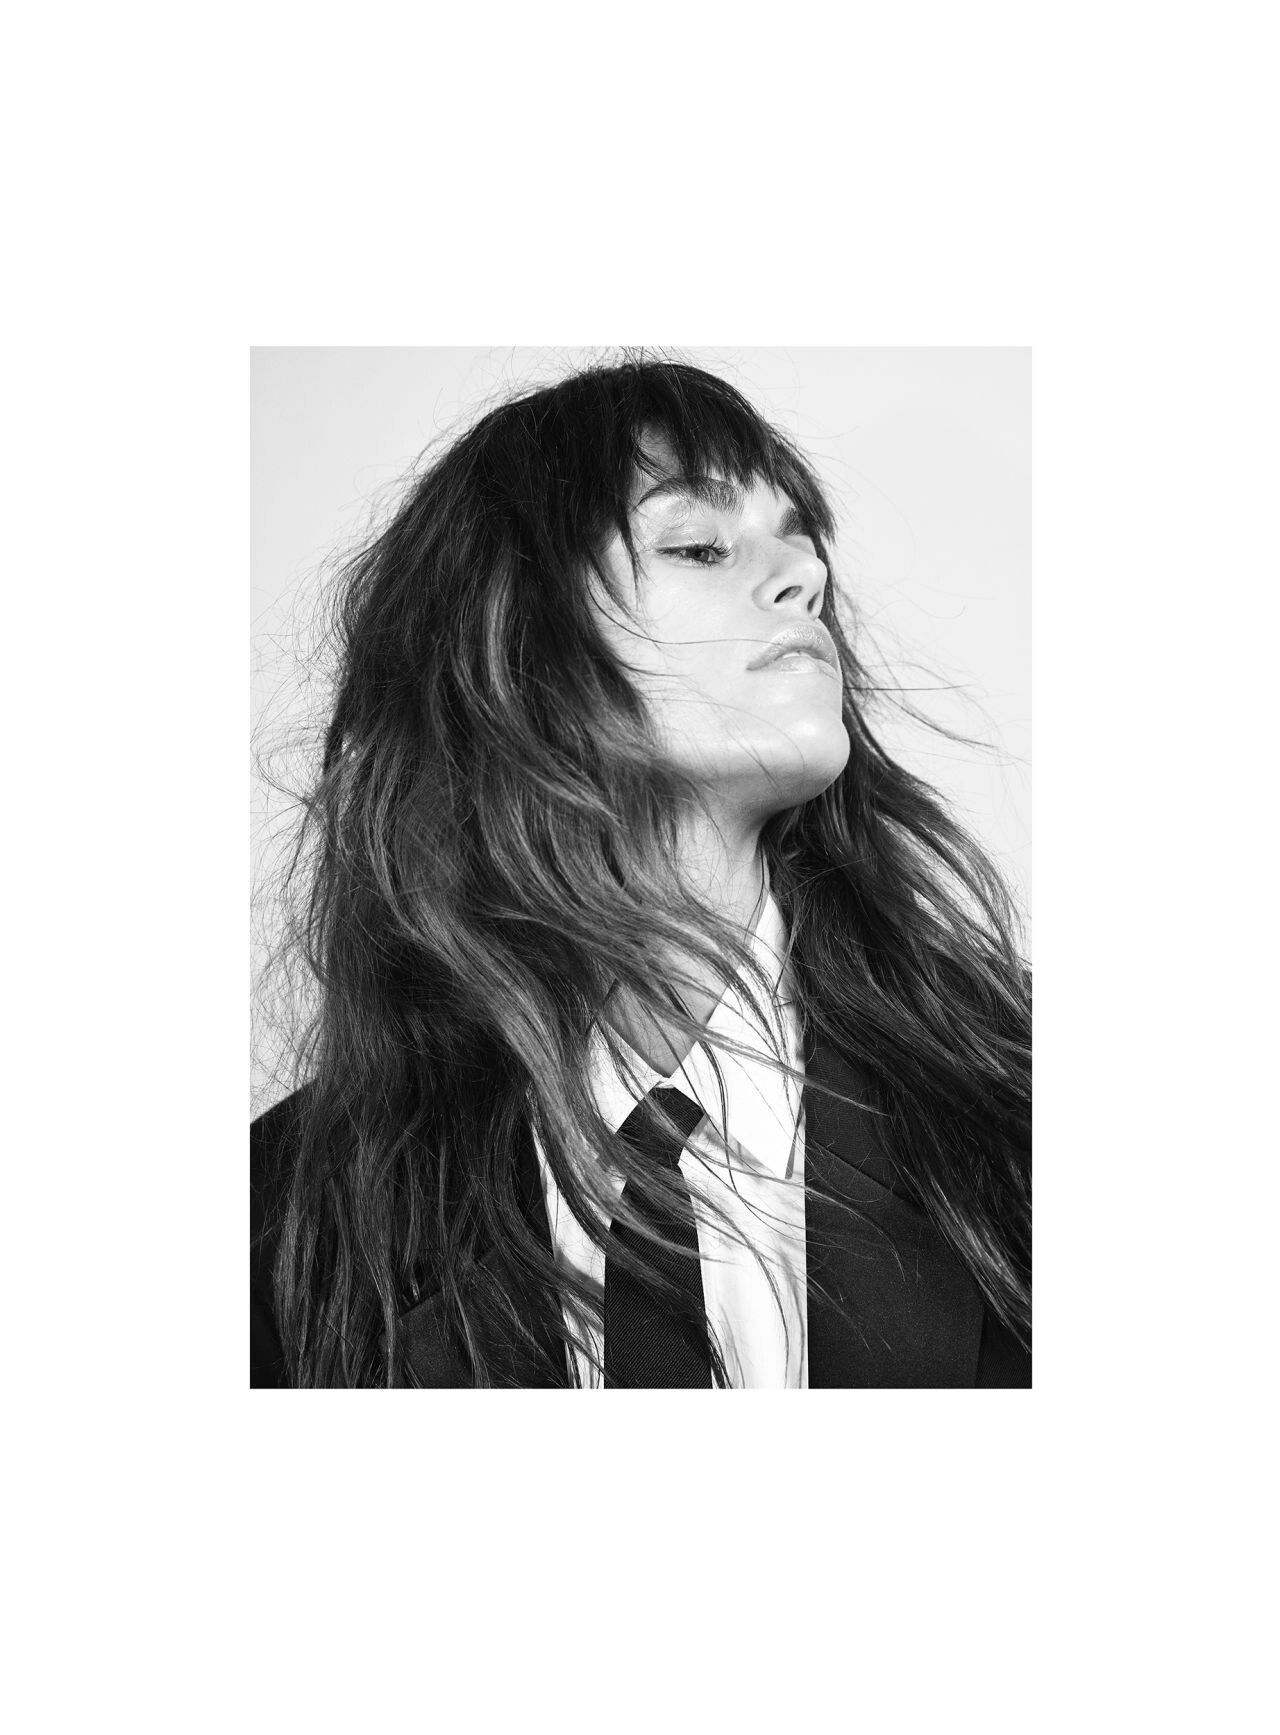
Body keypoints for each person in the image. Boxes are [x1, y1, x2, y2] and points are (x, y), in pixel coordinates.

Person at [251, 356, 1031, 1388]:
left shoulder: (1022, 1101)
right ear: (510, 641)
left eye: (801, 540)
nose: (805, 576)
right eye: (700, 544)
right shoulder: (279, 1215)